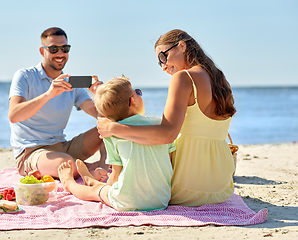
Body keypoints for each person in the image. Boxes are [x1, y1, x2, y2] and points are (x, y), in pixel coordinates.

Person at [97, 29, 237, 207]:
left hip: (186, 187)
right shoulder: (220, 79)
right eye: (159, 62)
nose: (163, 66)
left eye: (163, 57)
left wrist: (113, 128)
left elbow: (167, 134)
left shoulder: (183, 78)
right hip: (221, 187)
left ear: (182, 46)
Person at [58, 77, 176, 211]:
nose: (139, 94)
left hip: (127, 202)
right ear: (133, 101)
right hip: (161, 199)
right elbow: (169, 161)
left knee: (95, 192)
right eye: (138, 92)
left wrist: (105, 188)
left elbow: (115, 176)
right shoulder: (160, 125)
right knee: (103, 188)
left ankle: (70, 183)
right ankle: (89, 181)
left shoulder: (112, 134)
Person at [8, 27, 108, 180]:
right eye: (54, 49)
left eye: (65, 49)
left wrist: (100, 96)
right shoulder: (25, 76)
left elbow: (100, 116)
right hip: (31, 152)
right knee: (67, 163)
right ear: (42, 51)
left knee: (109, 127)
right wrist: (48, 95)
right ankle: (89, 168)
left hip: (62, 147)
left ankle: (102, 168)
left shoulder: (69, 83)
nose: (60, 54)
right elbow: (14, 115)